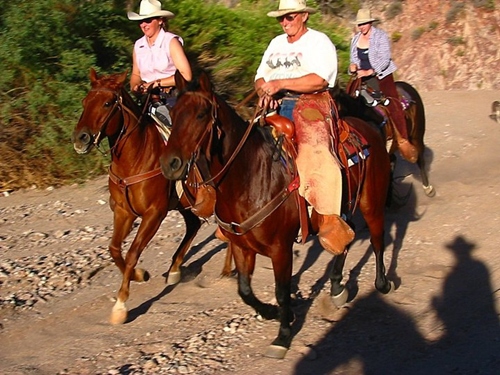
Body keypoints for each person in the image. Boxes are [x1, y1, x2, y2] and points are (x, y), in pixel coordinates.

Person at [254, 0, 354, 255]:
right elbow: (260, 76)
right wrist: (264, 91)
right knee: (248, 144)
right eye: (281, 18)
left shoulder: (319, 42)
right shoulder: (275, 44)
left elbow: (320, 79)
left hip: (312, 101)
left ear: (303, 16)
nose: (285, 22)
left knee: (315, 150)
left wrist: (279, 84)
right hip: (277, 102)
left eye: (290, 17)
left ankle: (331, 219)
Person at [348, 8, 418, 163]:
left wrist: (370, 71)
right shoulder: (355, 39)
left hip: (381, 76)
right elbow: (353, 59)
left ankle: (403, 139)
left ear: (370, 23)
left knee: (392, 102)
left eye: (364, 23)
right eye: (359, 24)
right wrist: (352, 67)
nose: (362, 27)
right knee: (349, 99)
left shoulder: (380, 36)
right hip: (360, 77)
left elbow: (385, 59)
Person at [127, 0, 192, 132]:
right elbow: (136, 74)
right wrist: (135, 86)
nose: (144, 25)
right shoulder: (138, 45)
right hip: (148, 100)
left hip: (174, 98)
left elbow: (186, 76)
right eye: (141, 21)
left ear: (160, 21)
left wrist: (156, 83)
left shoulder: (171, 42)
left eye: (148, 20)